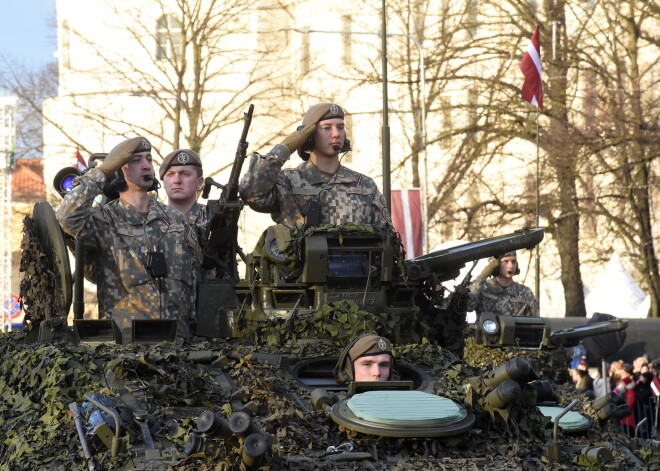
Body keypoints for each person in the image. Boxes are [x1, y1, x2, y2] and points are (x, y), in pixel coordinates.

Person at [56, 137, 202, 344]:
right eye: (135, 160)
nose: (146, 166)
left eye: (149, 159)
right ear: (119, 169)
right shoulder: (104, 220)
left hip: (178, 348)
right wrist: (103, 171)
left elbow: (194, 280)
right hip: (126, 351)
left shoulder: (176, 220)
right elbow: (66, 216)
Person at [239, 103, 392, 228]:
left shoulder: (364, 185)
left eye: (340, 127)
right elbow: (251, 193)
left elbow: (386, 239)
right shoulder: (287, 182)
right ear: (309, 137)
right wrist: (286, 147)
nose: (336, 134)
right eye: (327, 128)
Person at [469, 251, 539, 318]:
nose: (511, 266)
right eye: (505, 261)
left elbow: (534, 323)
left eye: (513, 261)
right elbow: (468, 306)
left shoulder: (525, 292)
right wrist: (482, 276)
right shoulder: (483, 288)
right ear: (496, 265)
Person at [159, 149, 207, 242]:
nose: (176, 180)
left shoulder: (214, 220)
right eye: (170, 174)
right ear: (163, 182)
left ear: (200, 182)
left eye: (185, 174)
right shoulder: (151, 221)